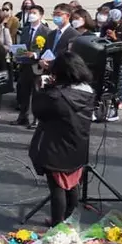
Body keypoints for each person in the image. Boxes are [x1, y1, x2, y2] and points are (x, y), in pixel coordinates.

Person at [29, 53, 95, 225]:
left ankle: (57, 225)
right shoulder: (88, 93)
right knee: (72, 184)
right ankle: (69, 220)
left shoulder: (55, 95)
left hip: (56, 147)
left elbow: (38, 111)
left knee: (57, 188)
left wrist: (43, 89)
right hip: (78, 146)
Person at [15, 4, 49, 128]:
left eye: (34, 13)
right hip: (24, 65)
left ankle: (36, 119)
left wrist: (35, 54)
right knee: (23, 92)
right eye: (30, 13)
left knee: (37, 94)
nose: (31, 15)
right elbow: (21, 45)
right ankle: (23, 117)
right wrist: (17, 53)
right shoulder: (25, 29)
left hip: (37, 67)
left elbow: (47, 49)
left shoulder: (46, 31)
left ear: (41, 16)